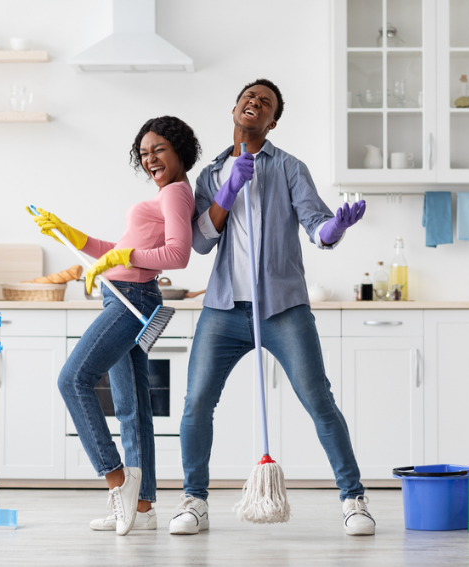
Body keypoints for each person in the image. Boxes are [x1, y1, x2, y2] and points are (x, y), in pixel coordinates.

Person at [168, 79, 374, 537]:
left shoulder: (289, 168)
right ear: (236, 107)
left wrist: (335, 229)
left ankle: (354, 500)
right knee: (196, 403)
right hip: (223, 309)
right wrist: (227, 191)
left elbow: (317, 226)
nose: (254, 103)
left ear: (272, 121)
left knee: (319, 401)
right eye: (248, 97)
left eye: (265, 103)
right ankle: (194, 501)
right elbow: (201, 242)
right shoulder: (210, 174)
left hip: (282, 308)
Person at [32, 116, 200, 536]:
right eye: (144, 154)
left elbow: (178, 255)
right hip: (124, 296)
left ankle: (117, 481)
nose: (150, 159)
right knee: (133, 407)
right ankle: (142, 508)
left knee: (73, 380)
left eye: (158, 149)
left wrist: (121, 260)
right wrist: (73, 236)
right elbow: (120, 250)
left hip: (132, 301)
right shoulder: (165, 195)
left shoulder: (177, 193)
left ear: (179, 149)